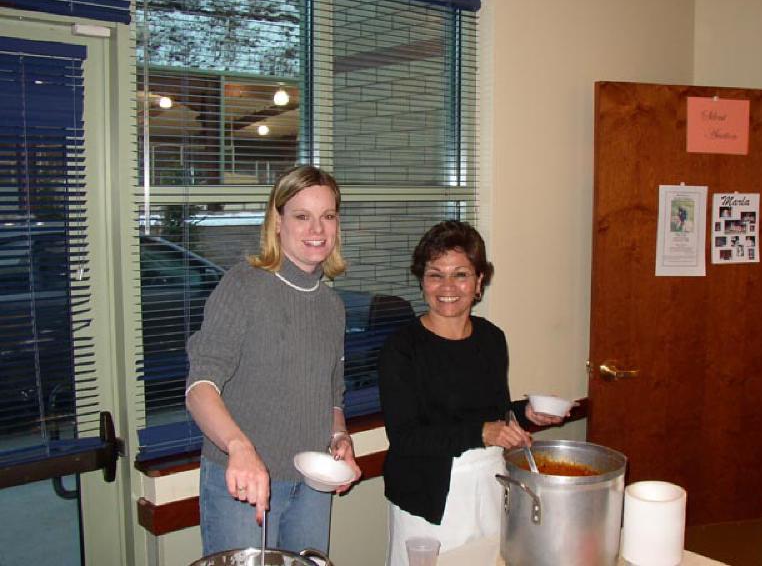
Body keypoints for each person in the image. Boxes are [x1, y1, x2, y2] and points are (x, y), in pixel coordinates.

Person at [185, 165, 361, 556]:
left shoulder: (332, 305)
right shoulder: (244, 285)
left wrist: (339, 437)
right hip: (244, 484)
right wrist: (239, 447)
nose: (317, 230)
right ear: (277, 223)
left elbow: (332, 394)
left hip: (312, 484)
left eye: (327, 216)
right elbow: (199, 389)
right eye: (302, 216)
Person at [378, 220, 564, 565]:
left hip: (491, 483)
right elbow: (406, 436)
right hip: (429, 494)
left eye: (460, 274)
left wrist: (524, 413)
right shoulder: (402, 347)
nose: (447, 286)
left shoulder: (491, 338)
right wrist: (483, 431)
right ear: (422, 280)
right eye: (436, 274)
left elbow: (490, 409)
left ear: (479, 282)